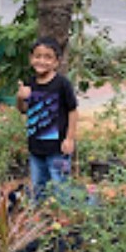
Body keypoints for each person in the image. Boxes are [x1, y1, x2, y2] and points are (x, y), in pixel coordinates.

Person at [15, 36, 78, 202]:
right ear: (31, 58)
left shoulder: (62, 84)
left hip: (59, 151)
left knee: (61, 186)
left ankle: (63, 222)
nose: (42, 60)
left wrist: (69, 138)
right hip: (36, 148)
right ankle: (42, 222)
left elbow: (73, 111)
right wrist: (21, 97)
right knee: (38, 187)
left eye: (48, 57)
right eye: (38, 56)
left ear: (57, 62)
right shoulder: (30, 84)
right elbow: (23, 110)